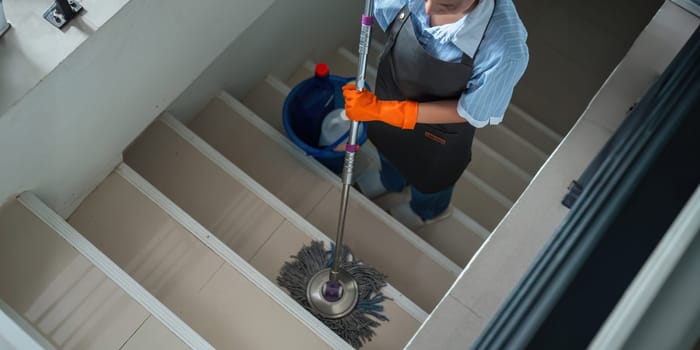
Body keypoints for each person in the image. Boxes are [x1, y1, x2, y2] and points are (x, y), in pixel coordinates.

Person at [343, 0, 529, 229]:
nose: (427, 8)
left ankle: (427, 211)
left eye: (447, 5)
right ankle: (390, 182)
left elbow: (470, 111)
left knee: (430, 183)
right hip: (390, 101)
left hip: (436, 139)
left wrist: (393, 112)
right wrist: (379, 110)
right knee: (388, 150)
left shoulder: (505, 50)